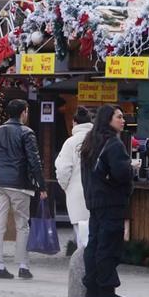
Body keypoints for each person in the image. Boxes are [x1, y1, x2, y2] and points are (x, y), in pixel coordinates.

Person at [0, 98, 47, 279]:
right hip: (19, 183)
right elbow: (34, 160)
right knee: (22, 225)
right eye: (27, 111)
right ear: (23, 113)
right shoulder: (26, 133)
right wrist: (41, 185)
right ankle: (23, 265)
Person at [80, 104, 134, 297]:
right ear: (108, 120)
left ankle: (92, 290)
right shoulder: (113, 144)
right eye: (118, 117)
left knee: (94, 244)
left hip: (95, 202)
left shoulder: (91, 141)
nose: (122, 120)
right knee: (108, 246)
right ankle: (106, 292)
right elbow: (121, 173)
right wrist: (131, 168)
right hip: (111, 202)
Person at [55, 106, 94, 248]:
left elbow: (62, 169)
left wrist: (66, 187)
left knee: (82, 238)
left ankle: (83, 267)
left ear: (74, 122)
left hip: (76, 194)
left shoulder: (70, 142)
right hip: (97, 194)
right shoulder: (98, 140)